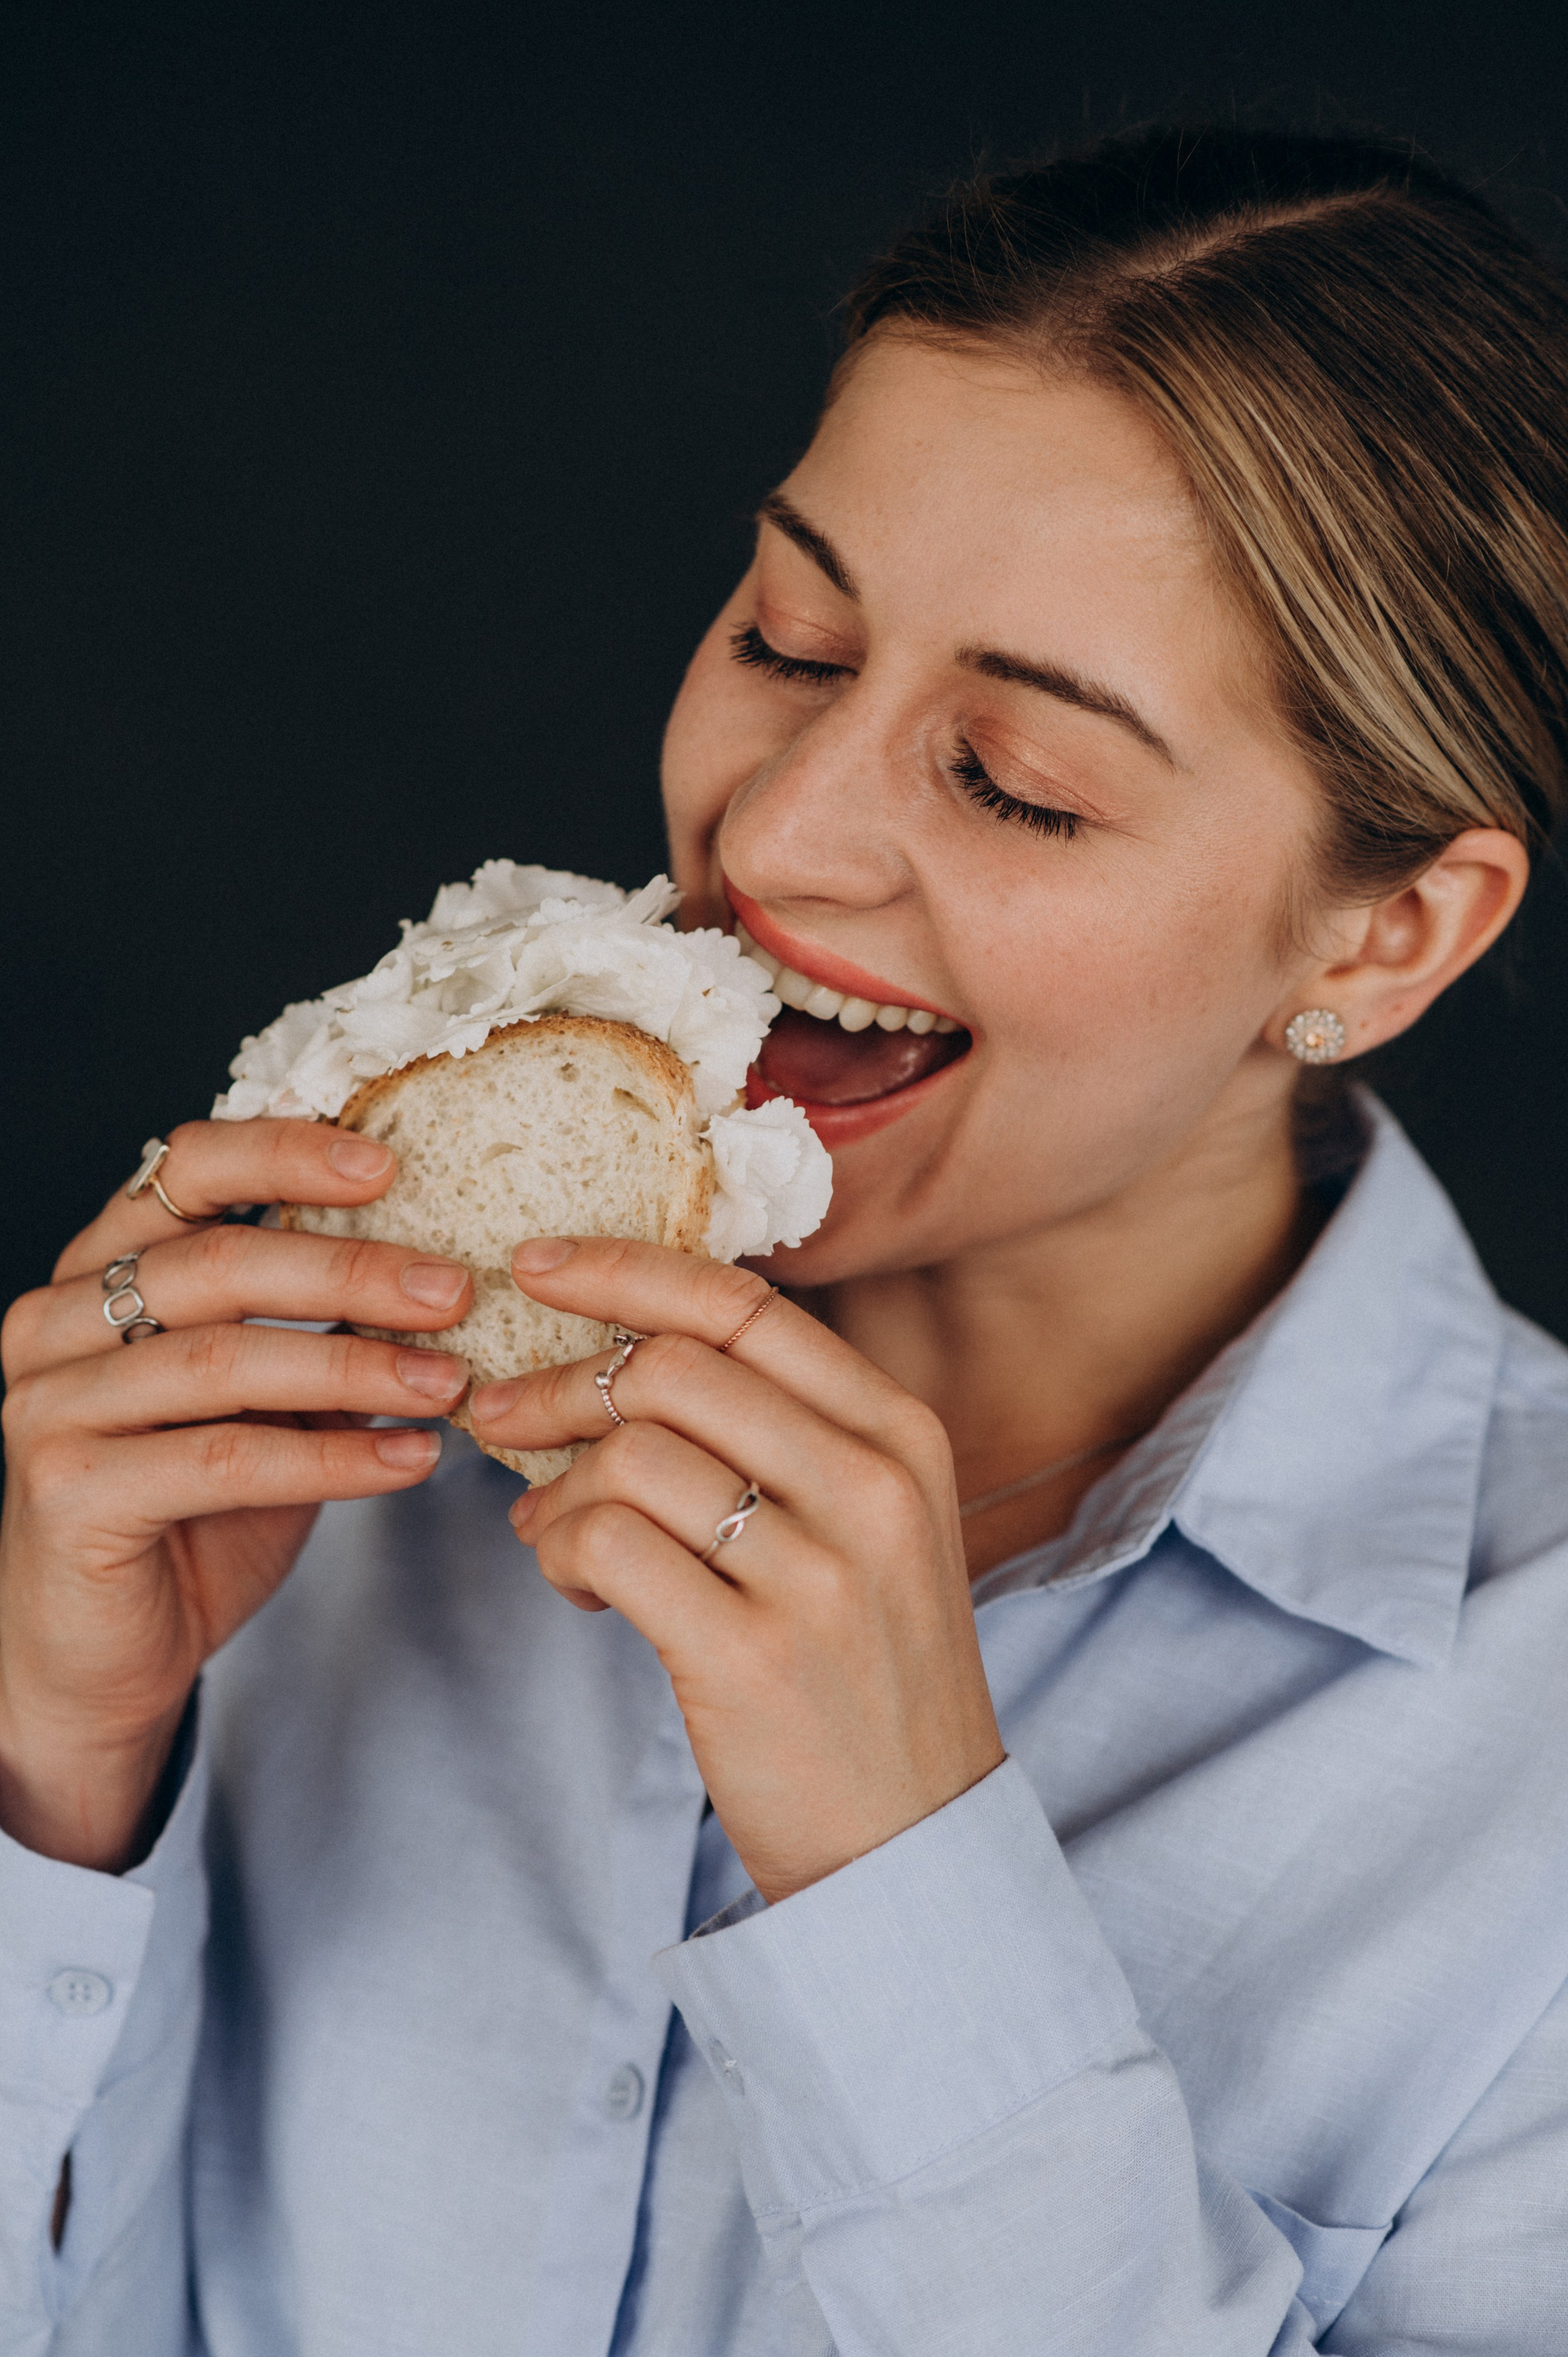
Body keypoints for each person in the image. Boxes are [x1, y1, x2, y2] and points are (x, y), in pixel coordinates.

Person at [3, 123, 1567, 2357]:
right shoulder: (300, 1472)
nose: (775, 834)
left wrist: (911, 1894)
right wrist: (54, 1789)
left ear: (1388, 933)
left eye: (1015, 777)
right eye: (788, 633)